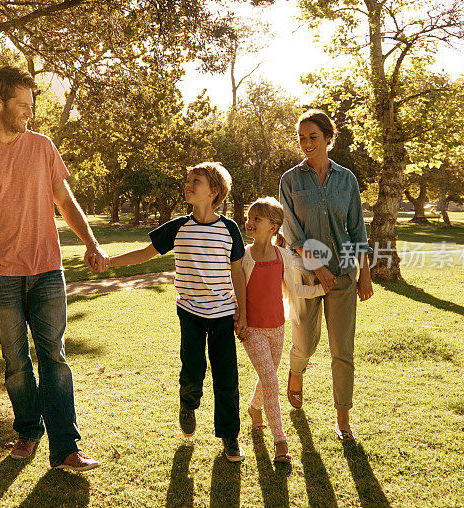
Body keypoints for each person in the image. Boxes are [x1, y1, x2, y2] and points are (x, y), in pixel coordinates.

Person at [0, 66, 107, 471]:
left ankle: (66, 446)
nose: (30, 112)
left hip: (47, 267)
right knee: (15, 360)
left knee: (54, 356)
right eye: (23, 105)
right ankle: (30, 429)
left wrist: (91, 241)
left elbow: (65, 202)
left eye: (33, 105)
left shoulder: (43, 146)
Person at [96, 162, 247, 462]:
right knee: (192, 369)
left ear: (214, 191)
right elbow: (145, 252)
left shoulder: (229, 229)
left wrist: (241, 310)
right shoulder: (178, 227)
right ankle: (188, 403)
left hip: (222, 313)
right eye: (187, 179)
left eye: (196, 181)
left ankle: (229, 436)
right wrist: (111, 262)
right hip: (190, 312)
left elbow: (238, 271)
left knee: (226, 376)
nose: (188, 184)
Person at [279, 109, 374, 442]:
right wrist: (318, 267)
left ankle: (343, 419)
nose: (306, 144)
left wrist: (364, 273)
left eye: (313, 137)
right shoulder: (290, 180)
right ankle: (296, 372)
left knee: (342, 349)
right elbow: (291, 230)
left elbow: (356, 228)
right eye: (302, 138)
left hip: (345, 273)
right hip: (307, 275)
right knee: (304, 341)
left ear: (329, 139)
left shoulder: (346, 179)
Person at [239, 196, 327, 463]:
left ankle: (255, 409)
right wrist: (238, 318)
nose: (250, 222)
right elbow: (236, 291)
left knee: (268, 378)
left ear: (274, 227)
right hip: (251, 329)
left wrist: (322, 289)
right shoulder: (243, 255)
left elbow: (296, 289)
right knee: (271, 380)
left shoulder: (283, 256)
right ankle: (280, 440)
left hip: (277, 327)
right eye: (250, 217)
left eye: (258, 219)